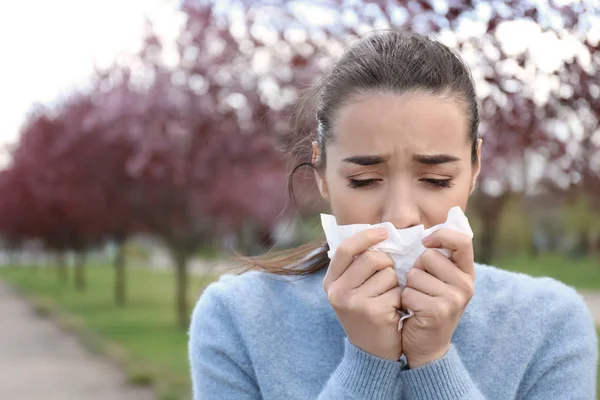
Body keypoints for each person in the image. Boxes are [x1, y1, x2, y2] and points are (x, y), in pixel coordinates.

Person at [188, 30, 598, 399]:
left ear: (474, 168)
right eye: (365, 180)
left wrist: (434, 361)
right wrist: (367, 363)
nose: (402, 217)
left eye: (436, 179)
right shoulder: (237, 318)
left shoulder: (549, 324)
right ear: (322, 173)